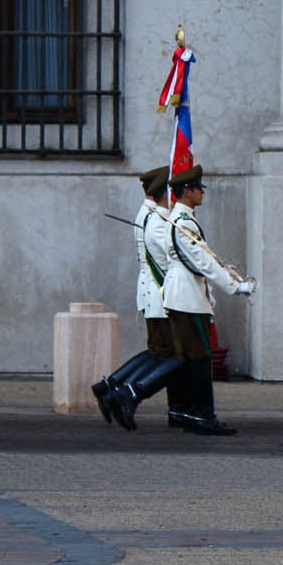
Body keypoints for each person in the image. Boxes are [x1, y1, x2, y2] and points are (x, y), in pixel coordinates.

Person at [115, 165, 256, 435]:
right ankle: (197, 414)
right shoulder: (182, 221)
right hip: (186, 298)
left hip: (184, 296)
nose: (202, 192)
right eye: (198, 188)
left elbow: (201, 257)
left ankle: (183, 411)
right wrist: (234, 286)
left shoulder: (179, 218)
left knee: (188, 358)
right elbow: (200, 261)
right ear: (187, 191)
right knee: (197, 358)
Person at [92, 166, 179, 425]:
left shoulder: (147, 214)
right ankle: (125, 391)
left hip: (150, 292)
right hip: (161, 295)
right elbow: (172, 261)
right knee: (170, 353)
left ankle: (110, 385)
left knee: (157, 351)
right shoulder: (158, 220)